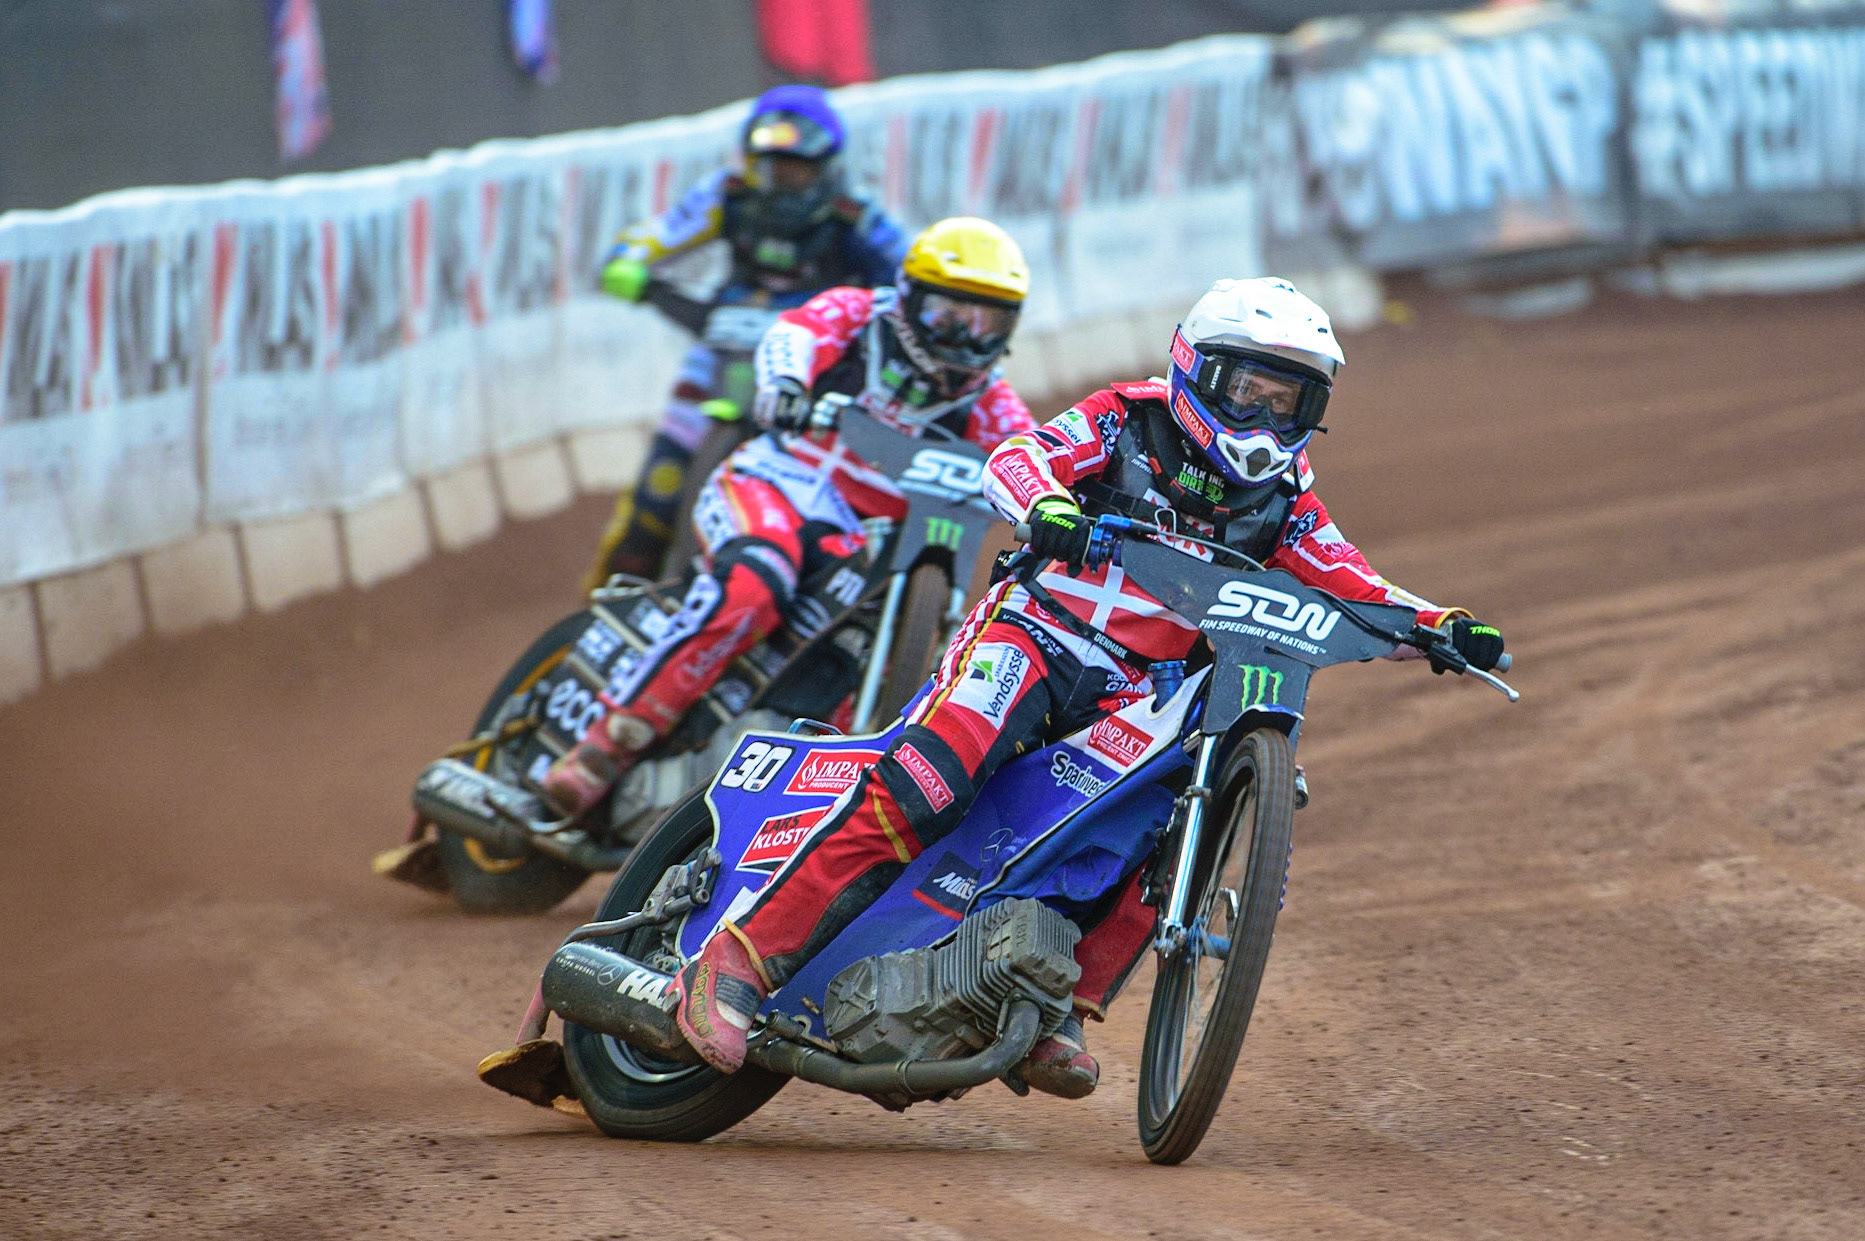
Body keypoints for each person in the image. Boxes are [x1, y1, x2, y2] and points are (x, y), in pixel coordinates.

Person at [669, 276, 1508, 1098]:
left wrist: (1439, 622)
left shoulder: (1286, 499)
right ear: (1196, 369)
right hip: (1034, 636)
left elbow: (1351, 579)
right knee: (931, 778)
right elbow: (1018, 456)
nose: (1262, 419)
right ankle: (738, 958)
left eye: (1286, 402)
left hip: (1136, 691)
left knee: (1169, 818)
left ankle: (1057, 1007)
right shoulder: (1126, 418)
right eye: (1247, 391)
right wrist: (1047, 507)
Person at [540, 217, 1039, 818]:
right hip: (776, 484)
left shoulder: (991, 400)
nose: (965, 339)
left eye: (988, 323)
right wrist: (786, 382)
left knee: (871, 658)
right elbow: (795, 334)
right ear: (909, 296)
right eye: (949, 315)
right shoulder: (859, 314)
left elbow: (1032, 455)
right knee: (756, 584)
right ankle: (604, 747)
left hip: (863, 541)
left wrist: (1060, 507)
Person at [587, 84, 908, 587]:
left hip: (813, 372)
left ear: (826, 167)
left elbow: (909, 278)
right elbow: (659, 233)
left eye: (796, 169)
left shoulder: (855, 217)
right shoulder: (727, 195)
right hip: (719, 357)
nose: (782, 181)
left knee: (830, 505)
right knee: (655, 497)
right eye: (770, 167)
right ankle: (602, 611)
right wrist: (629, 261)